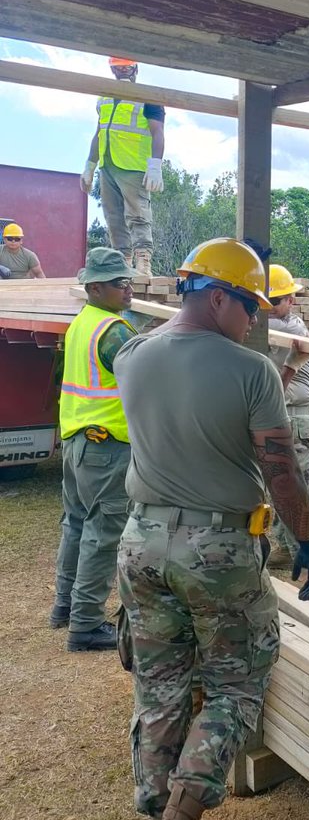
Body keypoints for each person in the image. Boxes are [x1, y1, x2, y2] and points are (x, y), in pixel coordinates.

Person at [114, 237, 309, 820]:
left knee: (160, 690)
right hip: (216, 550)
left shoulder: (130, 355)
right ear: (216, 297)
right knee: (234, 687)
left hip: (140, 544)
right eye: (248, 306)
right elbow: (281, 471)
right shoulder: (251, 371)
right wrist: (308, 541)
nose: (253, 319)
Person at [51, 247, 138, 650]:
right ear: (95, 288)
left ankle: (65, 607)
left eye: (129, 281)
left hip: (77, 441)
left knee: (76, 524)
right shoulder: (114, 332)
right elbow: (147, 379)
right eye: (120, 283)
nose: (128, 289)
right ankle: (85, 625)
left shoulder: (82, 322)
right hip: (106, 447)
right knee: (103, 533)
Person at [80, 57, 165, 276]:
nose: (123, 72)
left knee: (138, 214)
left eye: (126, 67)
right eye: (118, 68)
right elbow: (99, 132)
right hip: (108, 164)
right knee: (113, 216)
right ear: (112, 70)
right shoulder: (104, 98)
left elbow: (157, 131)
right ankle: (122, 261)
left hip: (133, 166)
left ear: (136, 68)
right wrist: (90, 164)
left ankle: (143, 262)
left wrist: (155, 165)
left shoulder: (148, 97)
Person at [266, 263, 309, 566]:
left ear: (291, 300)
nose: (268, 309)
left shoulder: (291, 329)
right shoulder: (270, 325)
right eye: (263, 302)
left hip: (297, 419)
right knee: (278, 487)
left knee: (297, 489)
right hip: (281, 415)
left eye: (275, 301)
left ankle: (307, 553)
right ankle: (288, 550)